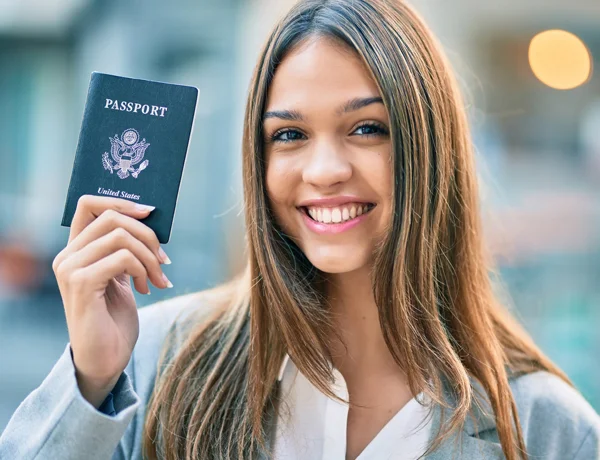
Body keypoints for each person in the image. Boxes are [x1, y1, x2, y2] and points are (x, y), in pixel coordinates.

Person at [2, 0, 600, 459]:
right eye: (288, 135)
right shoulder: (155, 360)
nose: (324, 171)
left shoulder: (547, 428)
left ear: (431, 148)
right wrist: (91, 380)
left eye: (367, 128)